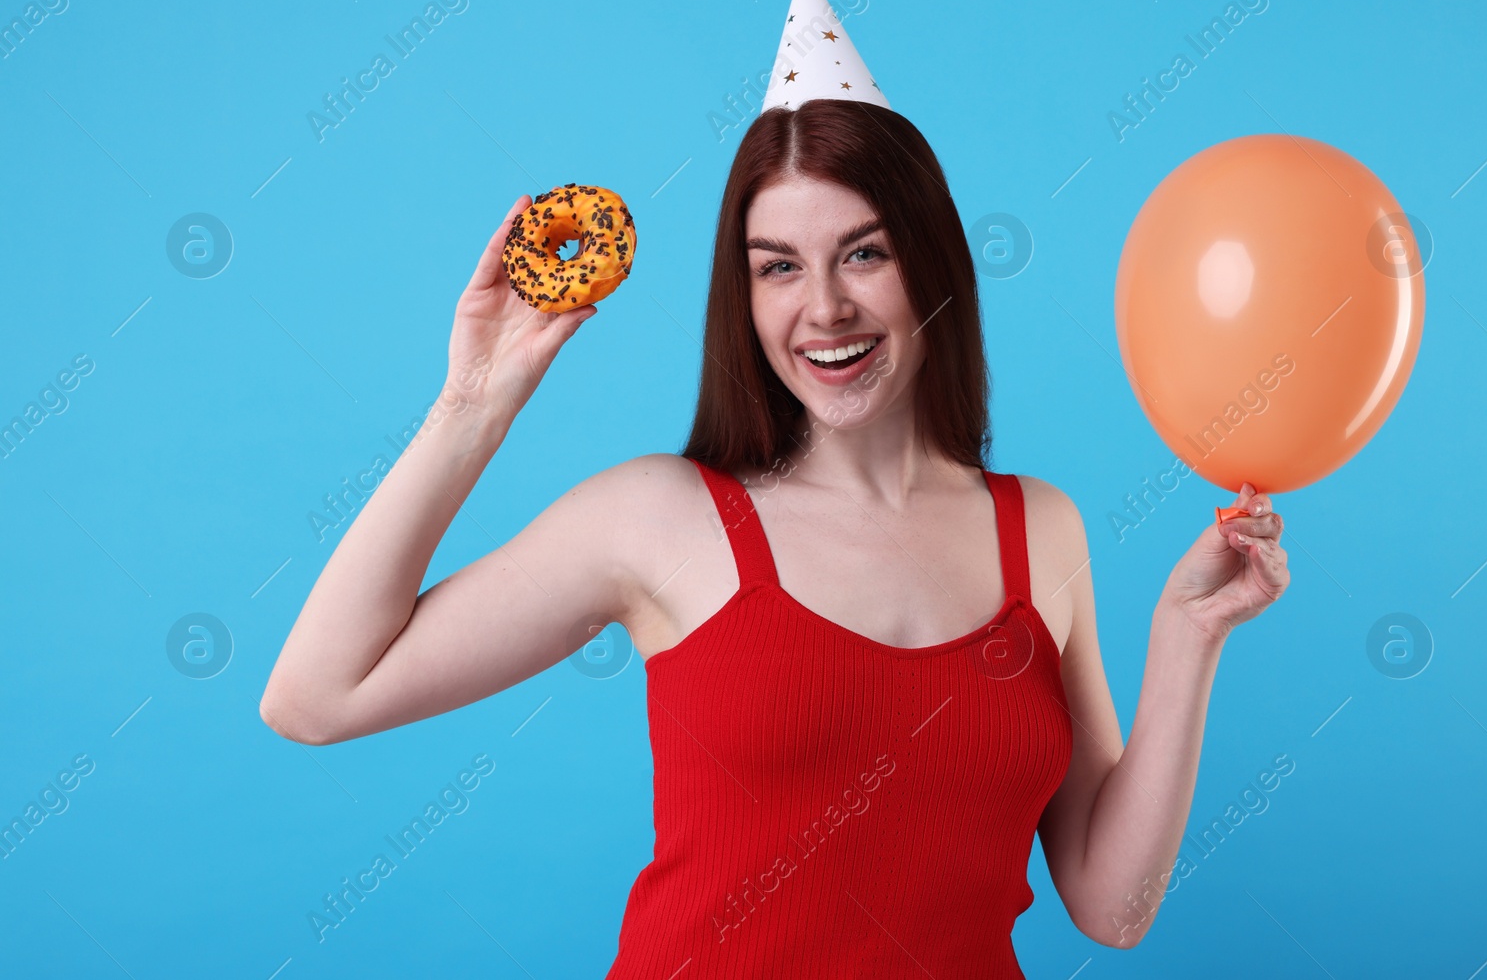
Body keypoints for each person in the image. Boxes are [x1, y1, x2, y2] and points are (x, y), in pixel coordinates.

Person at [260, 96, 1289, 972]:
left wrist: (1187, 639)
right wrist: (473, 402)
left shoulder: (1041, 528)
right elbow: (316, 695)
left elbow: (1113, 906)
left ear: (930, 262)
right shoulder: (659, 514)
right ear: (741, 293)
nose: (825, 307)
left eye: (864, 252)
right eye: (777, 266)